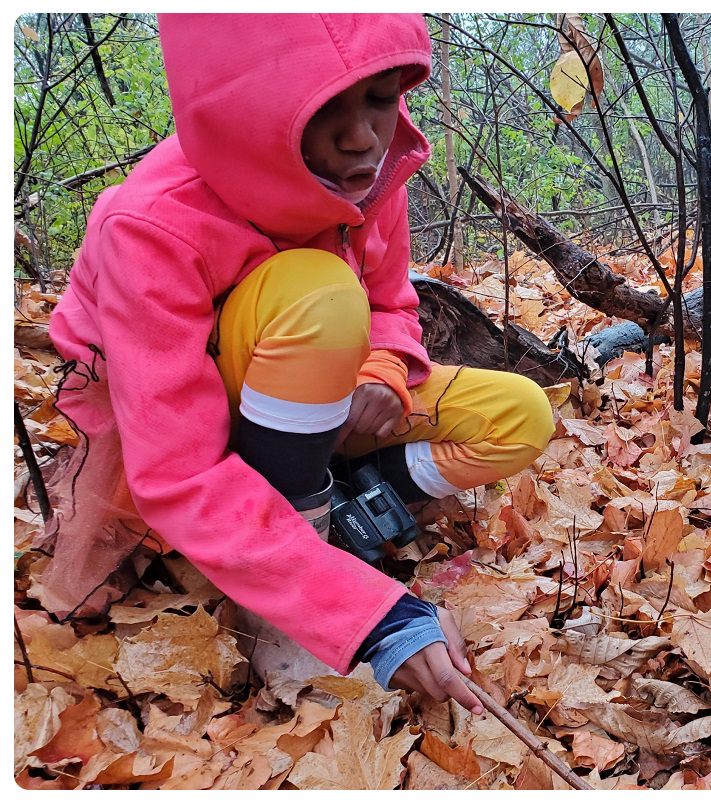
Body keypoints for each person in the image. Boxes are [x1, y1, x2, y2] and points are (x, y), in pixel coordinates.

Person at [41, 13, 555, 715]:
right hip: (188, 421)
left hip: (311, 401)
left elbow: (391, 306)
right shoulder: (151, 222)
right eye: (322, 108)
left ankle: (333, 507)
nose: (362, 136)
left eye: (379, 98)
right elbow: (176, 463)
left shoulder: (373, 178)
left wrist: (381, 368)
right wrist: (370, 617)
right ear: (246, 108)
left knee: (521, 415)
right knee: (318, 293)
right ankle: (290, 577)